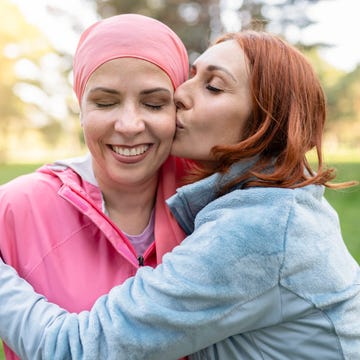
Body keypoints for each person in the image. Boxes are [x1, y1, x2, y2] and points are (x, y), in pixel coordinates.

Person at [1, 30, 360, 359]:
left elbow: (75, 350)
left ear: (265, 121)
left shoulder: (260, 228)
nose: (180, 95)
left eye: (213, 87)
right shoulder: (279, 198)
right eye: (191, 76)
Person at [0, 13, 189, 360]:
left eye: (154, 103)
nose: (129, 125)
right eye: (105, 102)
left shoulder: (217, 203)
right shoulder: (18, 206)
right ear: (81, 108)